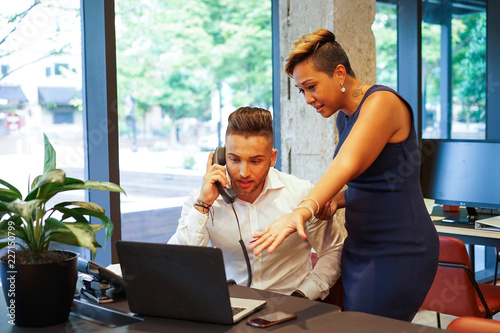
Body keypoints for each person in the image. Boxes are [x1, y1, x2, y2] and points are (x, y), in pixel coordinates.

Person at [249, 28, 439, 321]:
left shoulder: (382, 103)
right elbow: (378, 182)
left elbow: (345, 165)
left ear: (339, 73)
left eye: (311, 86)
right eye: (302, 91)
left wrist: (302, 210)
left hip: (400, 248)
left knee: (367, 327)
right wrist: (338, 199)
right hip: (360, 247)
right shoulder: (344, 118)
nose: (308, 99)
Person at [168, 106, 344, 301]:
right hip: (229, 308)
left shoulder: (302, 194)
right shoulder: (201, 200)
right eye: (234, 159)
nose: (243, 172)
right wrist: (203, 205)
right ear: (222, 157)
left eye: (255, 161)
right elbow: (176, 262)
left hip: (292, 307)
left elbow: (333, 251)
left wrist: (302, 295)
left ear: (272, 158)